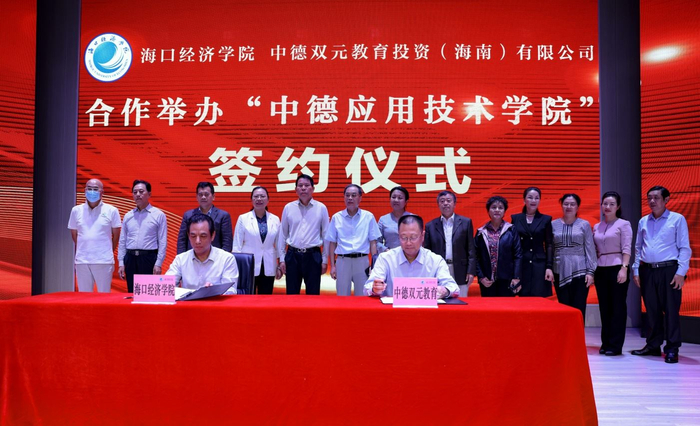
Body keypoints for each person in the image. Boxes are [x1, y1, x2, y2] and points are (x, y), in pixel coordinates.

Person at [631, 186, 691, 364]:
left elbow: (684, 248)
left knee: (671, 310)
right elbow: (638, 247)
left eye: (656, 198)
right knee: (651, 310)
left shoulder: (677, 219)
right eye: (649, 197)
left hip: (669, 270)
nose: (652, 201)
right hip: (647, 270)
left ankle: (672, 348)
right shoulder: (643, 221)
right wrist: (636, 270)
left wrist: (681, 272)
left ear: (666, 200)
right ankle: (653, 345)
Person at [364, 214, 459, 298]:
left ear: (422, 236)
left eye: (413, 237)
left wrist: (444, 291)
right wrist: (374, 288)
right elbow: (367, 288)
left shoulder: (435, 260)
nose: (408, 243)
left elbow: (453, 287)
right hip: (393, 310)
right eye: (404, 237)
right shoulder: (386, 258)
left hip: (424, 310)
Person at [593, 191, 633, 356]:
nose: (607, 207)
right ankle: (606, 342)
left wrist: (624, 268)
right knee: (604, 307)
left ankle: (615, 345)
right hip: (600, 268)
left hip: (617, 267)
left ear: (618, 206)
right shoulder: (597, 226)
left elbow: (627, 248)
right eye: (605, 203)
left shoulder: (623, 224)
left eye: (611, 204)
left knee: (617, 307)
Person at [277, 174, 329, 295]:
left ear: (313, 188)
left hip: (313, 256)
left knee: (313, 294)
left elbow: (326, 236)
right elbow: (283, 234)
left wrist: (325, 260)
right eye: (300, 186)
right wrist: (282, 259)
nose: (303, 188)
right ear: (296, 189)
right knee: (292, 294)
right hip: (292, 255)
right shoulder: (288, 208)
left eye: (306, 185)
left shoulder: (321, 208)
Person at [67, 178, 121, 292]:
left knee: (104, 295)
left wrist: (106, 250)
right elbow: (74, 235)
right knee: (84, 296)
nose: (92, 191)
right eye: (89, 188)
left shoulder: (112, 210)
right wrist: (85, 247)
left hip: (104, 261)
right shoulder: (76, 210)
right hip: (82, 261)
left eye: (95, 189)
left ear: (102, 192)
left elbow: (116, 236)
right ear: (85, 191)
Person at [326, 184, 381, 296]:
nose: (350, 198)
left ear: (360, 198)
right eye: (347, 195)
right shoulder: (337, 217)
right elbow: (332, 243)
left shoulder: (368, 216)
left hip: (362, 260)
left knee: (362, 294)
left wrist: (374, 266)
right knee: (342, 295)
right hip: (343, 260)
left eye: (353, 195)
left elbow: (373, 242)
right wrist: (332, 266)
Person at [166, 213, 238, 294]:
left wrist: (214, 291)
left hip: (214, 301)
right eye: (193, 236)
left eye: (203, 236)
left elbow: (231, 291)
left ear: (212, 235)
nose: (197, 241)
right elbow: (165, 287)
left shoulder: (227, 259)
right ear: (188, 236)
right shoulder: (180, 259)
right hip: (188, 302)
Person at [551, 193, 596, 320]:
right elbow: (550, 248)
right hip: (559, 270)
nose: (569, 207)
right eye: (566, 204)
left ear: (577, 207)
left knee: (578, 308)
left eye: (572, 204)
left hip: (580, 271)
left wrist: (591, 272)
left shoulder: (584, 224)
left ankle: (578, 333)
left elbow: (590, 249)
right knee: (563, 308)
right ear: (561, 205)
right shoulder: (553, 224)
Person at [117, 180, 168, 293]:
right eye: (135, 192)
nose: (138, 195)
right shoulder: (128, 216)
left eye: (141, 191)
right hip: (130, 258)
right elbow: (122, 241)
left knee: (148, 294)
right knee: (132, 293)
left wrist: (158, 263)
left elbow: (162, 241)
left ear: (149, 194)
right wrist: (121, 262)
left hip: (148, 259)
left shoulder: (158, 215)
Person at [423, 190, 477, 297]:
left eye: (448, 200)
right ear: (438, 204)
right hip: (439, 269)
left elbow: (471, 248)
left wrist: (471, 271)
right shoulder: (430, 226)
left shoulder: (466, 222)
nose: (445, 203)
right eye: (442, 201)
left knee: (461, 299)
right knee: (440, 299)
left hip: (460, 270)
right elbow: (427, 252)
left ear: (454, 204)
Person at [232, 186, 281, 294]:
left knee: (266, 298)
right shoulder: (243, 218)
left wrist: (280, 264)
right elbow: (237, 244)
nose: (259, 199)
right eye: (256, 196)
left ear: (268, 200)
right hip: (248, 265)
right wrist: (237, 266)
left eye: (262, 196)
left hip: (269, 264)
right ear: (251, 199)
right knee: (248, 298)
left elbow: (279, 244)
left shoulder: (275, 219)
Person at [510, 187, 554, 297]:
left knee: (539, 298)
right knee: (521, 298)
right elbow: (512, 244)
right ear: (524, 200)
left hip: (539, 265)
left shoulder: (545, 219)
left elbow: (549, 244)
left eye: (536, 198)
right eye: (530, 197)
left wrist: (549, 267)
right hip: (521, 264)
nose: (533, 200)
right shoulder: (516, 218)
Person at [475, 196, 522, 297]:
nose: (497, 210)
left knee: (506, 306)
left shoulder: (511, 230)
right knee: (488, 306)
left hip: (507, 280)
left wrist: (516, 277)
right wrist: (481, 277)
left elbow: (518, 255)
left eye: (500, 207)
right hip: (487, 281)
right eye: (493, 207)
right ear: (488, 211)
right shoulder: (481, 232)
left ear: (504, 211)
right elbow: (476, 257)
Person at [177, 182, 232, 254]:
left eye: (206, 194)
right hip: (192, 257)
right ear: (197, 197)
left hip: (215, 258)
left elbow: (227, 243)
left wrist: (222, 259)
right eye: (200, 195)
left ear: (213, 196)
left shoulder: (223, 216)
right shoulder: (188, 215)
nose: (203, 197)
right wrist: (182, 258)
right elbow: (182, 241)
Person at [377, 186, 412, 253]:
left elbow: (419, 239)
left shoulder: (414, 219)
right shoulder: (383, 219)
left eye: (400, 198)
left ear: (406, 201)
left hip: (410, 255)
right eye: (393, 197)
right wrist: (386, 250)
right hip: (389, 256)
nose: (396, 200)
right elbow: (377, 242)